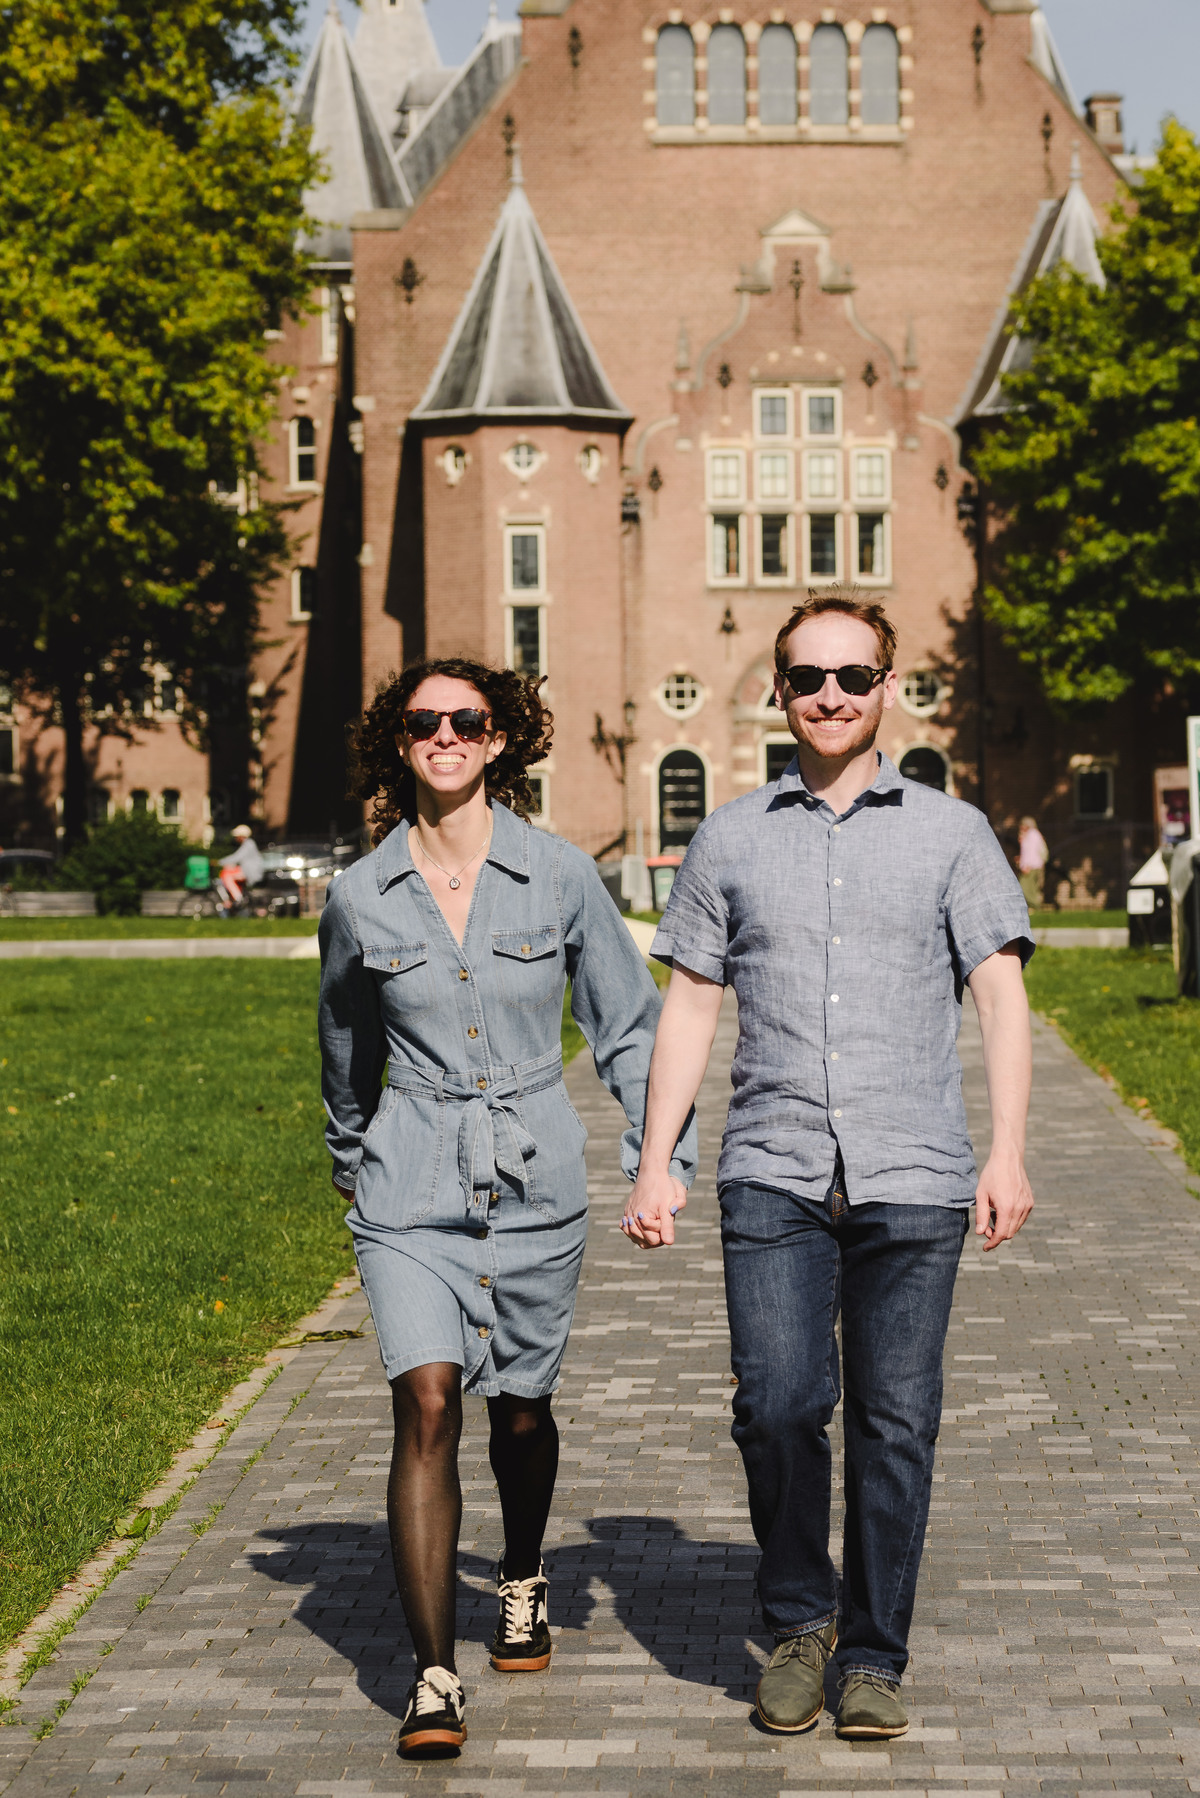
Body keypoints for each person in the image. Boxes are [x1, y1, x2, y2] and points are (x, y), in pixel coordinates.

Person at [622, 589, 1035, 1741]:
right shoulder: (734, 835)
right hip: (774, 1168)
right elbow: (692, 1002)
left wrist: (1007, 1148)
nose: (833, 697)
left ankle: (871, 1653)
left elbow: (1000, 995)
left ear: (887, 689)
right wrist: (657, 1161)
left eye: (855, 676)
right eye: (810, 678)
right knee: (778, 1406)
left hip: (916, 1171)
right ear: (781, 690)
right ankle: (800, 1617)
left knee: (898, 1421)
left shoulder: (952, 832)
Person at [318, 657, 695, 1759]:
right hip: (408, 1182)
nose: (445, 735)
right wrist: (353, 1159)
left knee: (519, 1408)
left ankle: (521, 1574)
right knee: (427, 1402)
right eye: (424, 720)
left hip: (537, 1179)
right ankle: (434, 1676)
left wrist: (656, 1155)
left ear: (498, 739)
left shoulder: (563, 876)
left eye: (466, 720)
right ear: (400, 741)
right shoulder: (356, 896)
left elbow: (629, 1025)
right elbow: (345, 1048)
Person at [218, 824, 264, 908]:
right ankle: (236, 897)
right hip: (248, 871)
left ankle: (238, 898)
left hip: (250, 872)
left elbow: (237, 857)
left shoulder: (248, 844)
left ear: (241, 836)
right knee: (230, 872)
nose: (235, 839)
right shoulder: (248, 844)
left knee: (226, 875)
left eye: (237, 836)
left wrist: (220, 862)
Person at [1017, 815, 1048, 909]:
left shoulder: (1032, 835)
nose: (1020, 827)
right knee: (1032, 888)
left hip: (1032, 866)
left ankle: (1035, 905)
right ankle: (1033, 907)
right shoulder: (1029, 835)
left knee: (1024, 886)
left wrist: (1026, 865)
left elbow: (1031, 852)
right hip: (1033, 865)